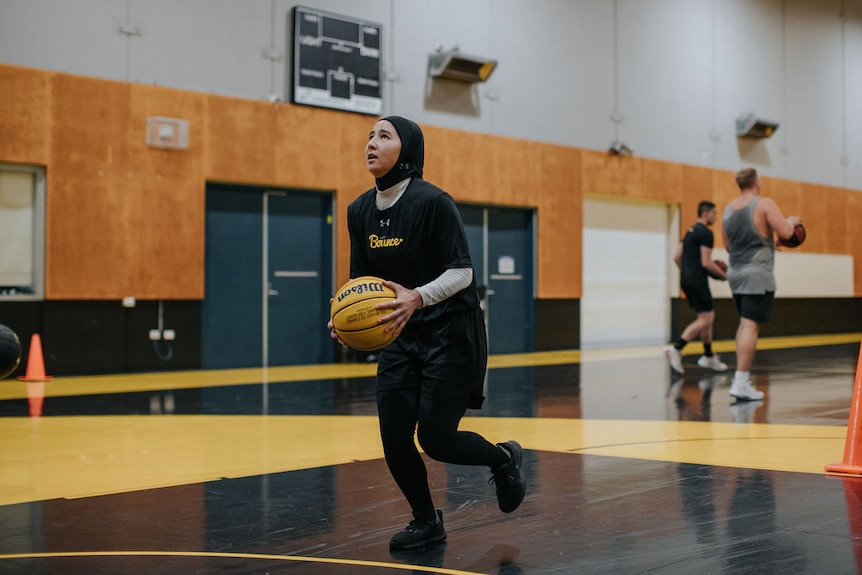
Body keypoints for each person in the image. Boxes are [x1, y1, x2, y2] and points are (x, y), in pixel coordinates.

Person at [329, 115, 526, 551]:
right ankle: (426, 520)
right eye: (369, 136)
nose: (372, 143)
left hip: (450, 332)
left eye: (384, 136)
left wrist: (417, 296)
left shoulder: (434, 202)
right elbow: (361, 283)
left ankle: (502, 458)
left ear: (409, 151)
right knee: (394, 436)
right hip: (401, 335)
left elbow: (463, 272)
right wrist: (344, 320)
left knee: (435, 439)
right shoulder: (358, 210)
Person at [721, 168, 801, 401]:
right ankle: (741, 381)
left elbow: (729, 246)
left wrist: (766, 243)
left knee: (744, 325)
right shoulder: (764, 204)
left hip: (736, 274)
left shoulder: (727, 210)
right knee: (750, 326)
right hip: (757, 275)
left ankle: (741, 379)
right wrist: (792, 221)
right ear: (756, 182)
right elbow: (786, 231)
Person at [664, 201, 729, 375]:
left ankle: (708, 356)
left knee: (706, 315)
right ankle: (676, 348)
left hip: (686, 279)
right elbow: (706, 263)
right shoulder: (706, 234)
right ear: (706, 213)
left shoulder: (690, 231)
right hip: (697, 280)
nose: (716, 216)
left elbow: (677, 257)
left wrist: (688, 273)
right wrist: (724, 276)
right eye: (714, 213)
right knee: (706, 319)